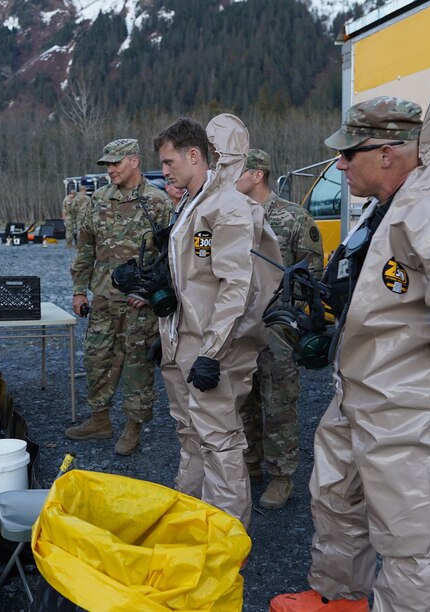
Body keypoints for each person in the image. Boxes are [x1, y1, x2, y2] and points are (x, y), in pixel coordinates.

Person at [270, 85, 430, 612]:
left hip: (406, 411)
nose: (339, 164)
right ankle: (339, 596)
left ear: (385, 153)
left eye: (347, 152)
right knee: (336, 503)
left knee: (409, 543)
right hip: (355, 395)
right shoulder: (382, 211)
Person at [152, 116, 281, 526]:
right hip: (184, 340)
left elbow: (235, 285)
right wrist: (169, 328)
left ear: (195, 155)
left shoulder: (226, 207)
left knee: (220, 441)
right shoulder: (196, 205)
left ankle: (226, 540)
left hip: (211, 345)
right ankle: (191, 520)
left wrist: (211, 352)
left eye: (170, 161)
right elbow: (197, 272)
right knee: (190, 434)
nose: (165, 170)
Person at [67, 138, 172, 455]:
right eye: (107, 164)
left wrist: (150, 292)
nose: (110, 169)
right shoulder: (97, 200)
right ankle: (100, 420)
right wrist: (78, 290)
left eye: (115, 163)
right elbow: (86, 248)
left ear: (134, 161)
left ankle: (133, 427)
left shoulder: (157, 203)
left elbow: (171, 258)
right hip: (102, 300)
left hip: (138, 306)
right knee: (97, 360)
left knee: (138, 366)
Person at [236, 149, 324, 510]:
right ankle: (250, 463)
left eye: (237, 172)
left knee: (278, 402)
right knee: (244, 399)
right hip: (240, 325)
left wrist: (288, 315)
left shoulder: (293, 217)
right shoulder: (233, 217)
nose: (230, 179)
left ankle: (281, 476)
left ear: (257, 175)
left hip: (276, 328)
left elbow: (312, 273)